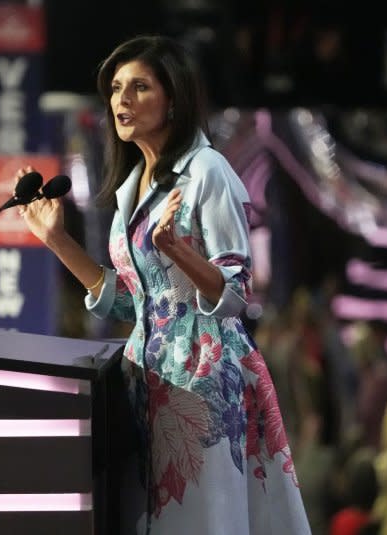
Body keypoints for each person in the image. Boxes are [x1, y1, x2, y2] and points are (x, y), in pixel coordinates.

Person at [16, 35, 311, 535]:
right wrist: (58, 241)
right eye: (115, 88)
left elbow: (236, 295)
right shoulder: (135, 184)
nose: (121, 100)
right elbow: (137, 304)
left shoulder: (207, 171)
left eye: (139, 87)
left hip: (204, 382)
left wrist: (178, 249)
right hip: (144, 384)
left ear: (173, 98)